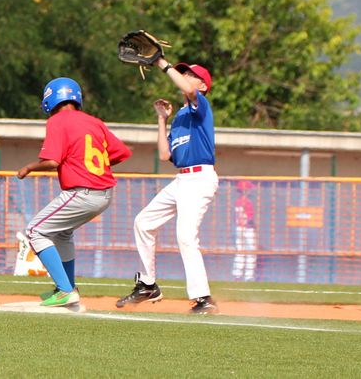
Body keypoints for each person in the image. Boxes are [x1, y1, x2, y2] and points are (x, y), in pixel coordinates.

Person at [116, 57, 219, 314]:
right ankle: (148, 285)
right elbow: (165, 155)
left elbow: (189, 90)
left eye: (190, 74)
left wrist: (162, 63)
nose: (185, 76)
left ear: (202, 86)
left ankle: (203, 298)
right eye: (183, 73)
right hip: (182, 179)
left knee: (185, 236)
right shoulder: (181, 117)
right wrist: (162, 119)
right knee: (143, 222)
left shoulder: (200, 106)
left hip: (200, 178)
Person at [17, 77, 132, 307]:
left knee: (35, 231)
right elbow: (121, 152)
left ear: (50, 100)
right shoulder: (94, 121)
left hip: (83, 192)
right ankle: (69, 288)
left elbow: (52, 161)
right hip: (104, 193)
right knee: (62, 234)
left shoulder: (57, 121)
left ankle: (65, 290)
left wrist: (29, 167)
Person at [232, 180, 257, 281]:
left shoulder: (237, 201)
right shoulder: (247, 202)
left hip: (239, 227)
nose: (250, 191)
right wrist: (254, 225)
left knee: (240, 252)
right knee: (251, 252)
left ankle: (237, 275)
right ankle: (248, 276)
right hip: (247, 229)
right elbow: (250, 218)